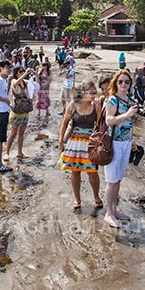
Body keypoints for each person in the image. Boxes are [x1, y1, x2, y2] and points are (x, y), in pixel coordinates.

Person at [58, 81, 103, 209]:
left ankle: (96, 196)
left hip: (90, 144)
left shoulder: (96, 106)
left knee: (93, 172)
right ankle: (77, 199)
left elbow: (99, 126)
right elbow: (64, 123)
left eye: (95, 92)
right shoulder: (73, 105)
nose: (94, 95)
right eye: (91, 92)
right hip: (75, 143)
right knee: (75, 171)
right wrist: (61, 140)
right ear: (83, 92)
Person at [103, 69, 139, 228]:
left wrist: (132, 139)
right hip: (114, 143)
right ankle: (108, 213)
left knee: (118, 179)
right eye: (120, 82)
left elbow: (130, 124)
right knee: (111, 180)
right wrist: (127, 114)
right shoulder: (112, 100)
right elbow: (109, 121)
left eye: (126, 82)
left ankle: (115, 210)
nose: (124, 84)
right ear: (115, 84)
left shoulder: (129, 100)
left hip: (125, 142)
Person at [5, 66, 33, 160]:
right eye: (20, 71)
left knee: (21, 132)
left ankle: (20, 152)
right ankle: (7, 152)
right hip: (16, 111)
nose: (22, 72)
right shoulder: (13, 81)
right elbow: (16, 83)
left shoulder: (25, 82)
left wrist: (35, 73)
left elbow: (35, 85)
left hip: (24, 110)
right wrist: (26, 74)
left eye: (23, 71)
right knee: (13, 133)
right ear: (16, 73)